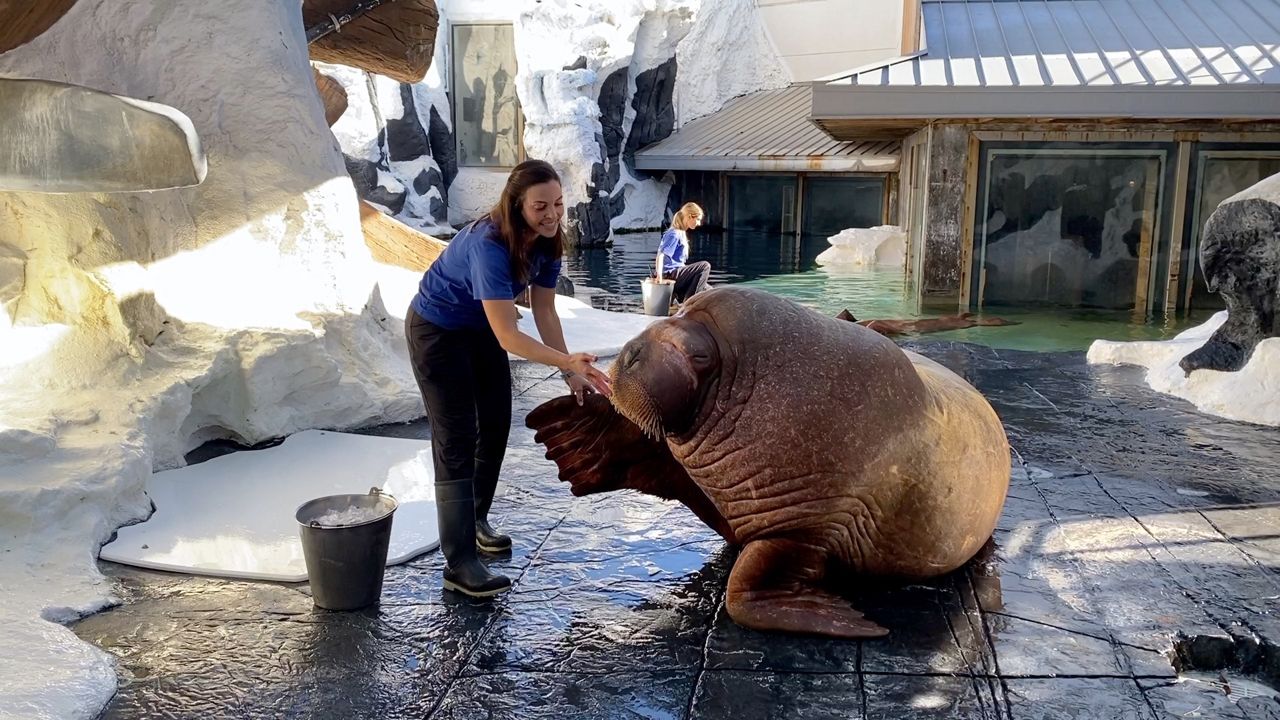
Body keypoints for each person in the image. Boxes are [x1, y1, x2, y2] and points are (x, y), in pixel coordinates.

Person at [405, 159, 612, 598]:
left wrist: (568, 371)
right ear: (517, 205)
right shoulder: (489, 244)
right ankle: (459, 563)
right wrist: (566, 360)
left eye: (558, 203)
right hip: (437, 330)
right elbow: (509, 336)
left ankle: (475, 520)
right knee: (456, 437)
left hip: (479, 329)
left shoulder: (547, 240)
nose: (552, 214)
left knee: (496, 422)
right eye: (540, 206)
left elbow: (545, 310)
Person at [655, 202, 712, 304]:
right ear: (690, 217)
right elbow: (661, 255)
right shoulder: (674, 233)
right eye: (698, 219)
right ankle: (688, 304)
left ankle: (683, 298)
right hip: (670, 275)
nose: (699, 223)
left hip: (677, 274)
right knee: (705, 266)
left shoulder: (681, 232)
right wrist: (659, 276)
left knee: (711, 292)